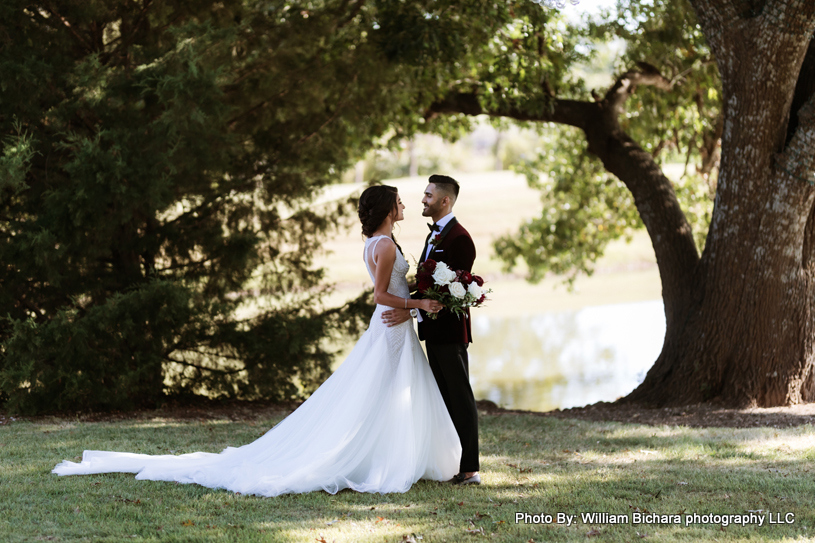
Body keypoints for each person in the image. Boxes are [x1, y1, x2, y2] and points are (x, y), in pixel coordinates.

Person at [52, 185, 461, 497]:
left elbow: (388, 289)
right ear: (389, 210)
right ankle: (378, 460)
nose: (406, 206)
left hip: (392, 326)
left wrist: (418, 299)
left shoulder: (379, 242)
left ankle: (389, 454)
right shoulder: (385, 244)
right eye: (400, 203)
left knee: (388, 393)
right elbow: (379, 295)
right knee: (383, 392)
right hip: (391, 325)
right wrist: (418, 302)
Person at [382, 174, 480, 485]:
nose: (422, 200)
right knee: (444, 398)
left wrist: (409, 307)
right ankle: (451, 461)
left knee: (460, 398)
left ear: (444, 201)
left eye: (427, 195)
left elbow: (454, 291)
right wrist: (407, 301)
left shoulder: (460, 239)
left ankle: (470, 469)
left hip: (450, 332)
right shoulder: (435, 235)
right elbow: (429, 283)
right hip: (434, 332)